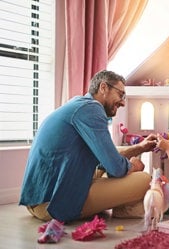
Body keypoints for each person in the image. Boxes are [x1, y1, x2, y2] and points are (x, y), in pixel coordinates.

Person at [19, 70, 157, 222]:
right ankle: (125, 209)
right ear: (103, 88)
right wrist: (132, 166)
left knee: (107, 171)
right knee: (145, 180)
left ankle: (123, 207)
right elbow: (115, 167)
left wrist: (140, 147)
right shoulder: (92, 110)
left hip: (36, 201)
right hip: (51, 205)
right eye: (120, 95)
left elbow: (107, 154)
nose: (123, 102)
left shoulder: (78, 104)